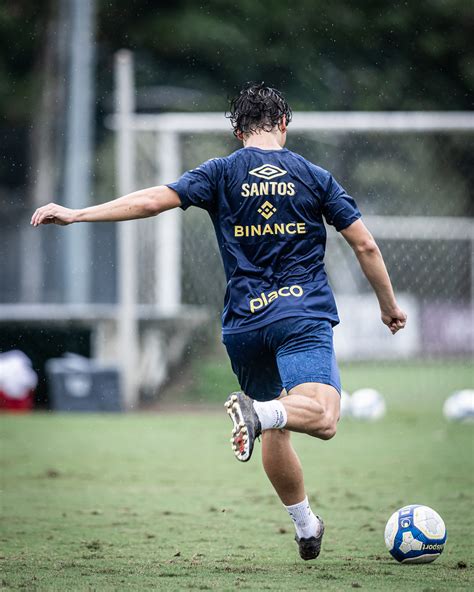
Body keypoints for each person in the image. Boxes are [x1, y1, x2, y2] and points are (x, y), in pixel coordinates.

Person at [31, 82, 407, 561]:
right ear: (285, 126)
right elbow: (366, 245)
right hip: (301, 315)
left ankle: (306, 524)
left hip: (244, 323)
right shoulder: (315, 176)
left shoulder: (221, 172)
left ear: (236, 131)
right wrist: (388, 306)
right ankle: (260, 413)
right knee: (325, 418)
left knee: (278, 428)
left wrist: (78, 214)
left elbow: (150, 201)